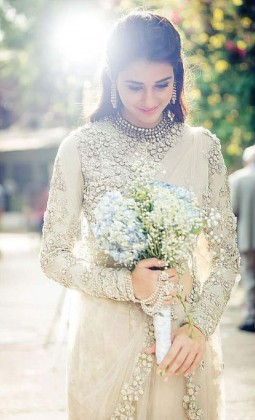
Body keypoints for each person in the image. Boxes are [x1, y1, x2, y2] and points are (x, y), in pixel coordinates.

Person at [40, 11, 240, 419]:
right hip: (107, 343)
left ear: (177, 78)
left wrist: (199, 327)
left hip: (184, 341)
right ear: (112, 79)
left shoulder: (203, 148)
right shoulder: (80, 148)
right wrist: (128, 284)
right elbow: (54, 256)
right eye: (134, 86)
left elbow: (227, 259)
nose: (149, 100)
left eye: (162, 85)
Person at [229, 145, 255, 333]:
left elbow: (231, 210)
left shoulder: (238, 179)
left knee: (250, 278)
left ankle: (251, 317)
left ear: (246, 161)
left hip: (248, 237)